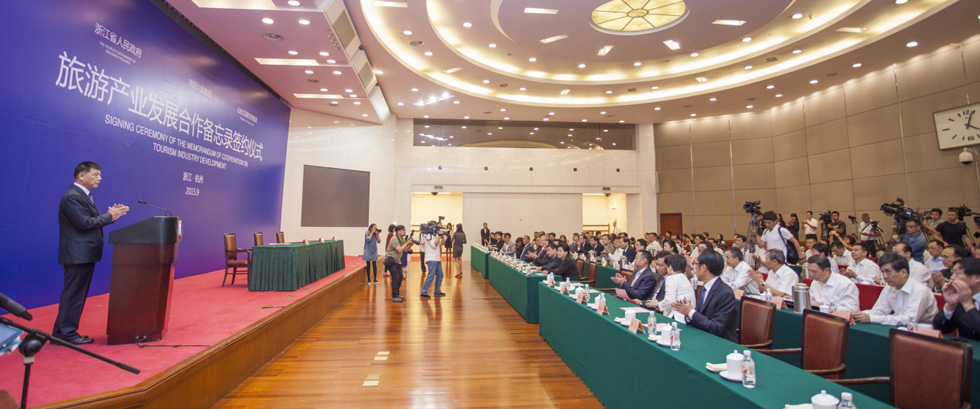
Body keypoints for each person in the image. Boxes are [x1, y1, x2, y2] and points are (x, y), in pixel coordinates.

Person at [53, 161, 129, 345]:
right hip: (77, 254)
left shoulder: (83, 195)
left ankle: (60, 333)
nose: (99, 178)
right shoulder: (72, 196)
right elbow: (84, 223)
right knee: (73, 295)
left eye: (99, 175)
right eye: (95, 174)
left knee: (74, 294)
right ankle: (67, 334)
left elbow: (91, 220)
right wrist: (109, 216)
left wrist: (111, 215)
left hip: (83, 254)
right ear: (81, 175)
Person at [853, 252, 938, 326]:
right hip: (898, 328)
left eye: (888, 272)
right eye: (882, 272)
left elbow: (909, 320)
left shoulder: (920, 291)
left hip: (923, 332)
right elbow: (879, 311)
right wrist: (859, 314)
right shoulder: (889, 288)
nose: (884, 277)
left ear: (903, 272)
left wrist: (872, 318)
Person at [670, 251, 738, 343]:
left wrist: (691, 312)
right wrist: (688, 314)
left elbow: (716, 328)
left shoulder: (725, 293)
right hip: (703, 337)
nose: (694, 267)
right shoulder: (704, 288)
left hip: (721, 343)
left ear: (703, 267)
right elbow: (701, 318)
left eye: (695, 264)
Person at [933, 258, 980, 340]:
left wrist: (968, 305)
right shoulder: (960, 296)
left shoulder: (965, 298)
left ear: (977, 278)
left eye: (958, 274)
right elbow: (940, 328)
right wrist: (950, 306)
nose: (952, 277)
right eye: (952, 273)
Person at [384, 225, 413, 303]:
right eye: (403, 230)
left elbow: (405, 250)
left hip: (397, 261)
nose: (404, 232)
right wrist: (407, 242)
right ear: (398, 231)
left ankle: (397, 294)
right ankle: (394, 296)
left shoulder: (401, 239)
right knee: (396, 277)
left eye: (404, 230)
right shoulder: (394, 239)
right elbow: (399, 250)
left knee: (400, 277)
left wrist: (409, 245)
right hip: (391, 261)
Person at [420, 227, 447, 299]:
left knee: (440, 275)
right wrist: (439, 237)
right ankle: (424, 292)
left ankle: (437, 291)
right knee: (431, 275)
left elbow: (443, 243)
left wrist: (442, 237)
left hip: (437, 259)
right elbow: (434, 245)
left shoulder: (435, 236)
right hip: (431, 259)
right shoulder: (428, 236)